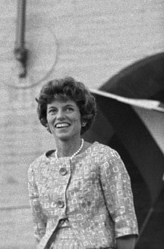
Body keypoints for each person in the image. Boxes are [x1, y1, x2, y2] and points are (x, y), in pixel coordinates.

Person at [28, 77, 138, 249]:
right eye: (52, 111)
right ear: (46, 120)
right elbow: (40, 230)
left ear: (84, 118)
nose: (60, 116)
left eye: (69, 109)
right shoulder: (36, 168)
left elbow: (126, 225)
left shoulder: (105, 157)